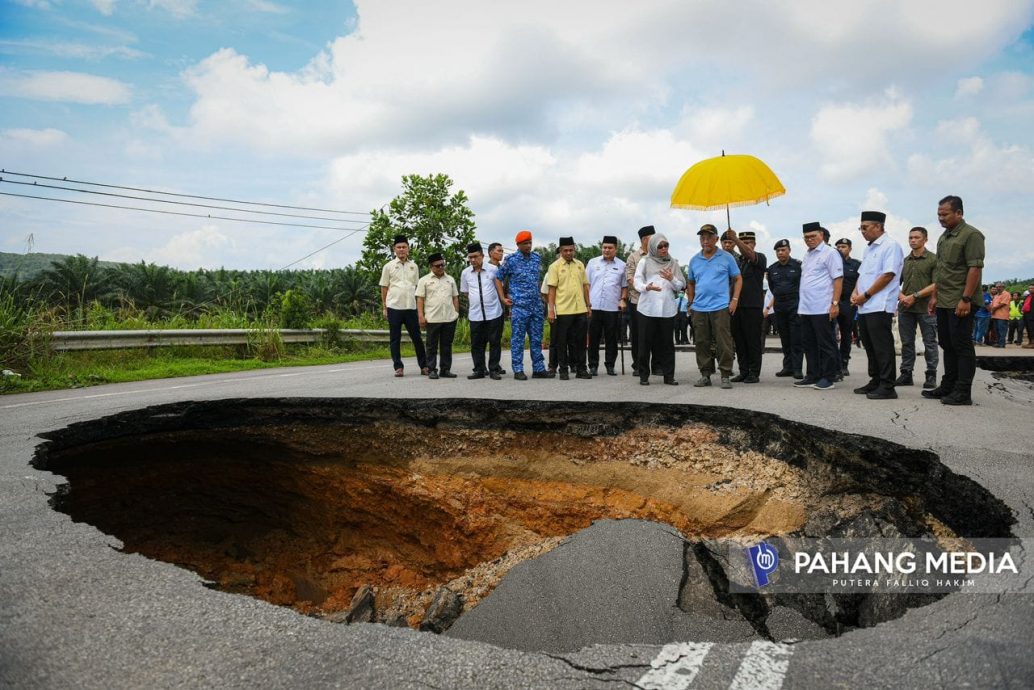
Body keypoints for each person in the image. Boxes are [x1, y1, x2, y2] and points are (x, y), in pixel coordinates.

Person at [922, 195, 985, 406]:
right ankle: (948, 385)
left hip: (961, 300)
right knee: (947, 344)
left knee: (961, 345)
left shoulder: (972, 235)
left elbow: (974, 268)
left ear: (959, 213)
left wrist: (966, 298)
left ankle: (963, 391)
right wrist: (934, 296)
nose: (941, 218)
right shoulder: (944, 237)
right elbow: (941, 271)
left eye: (945, 214)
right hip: (944, 300)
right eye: (939, 214)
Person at [849, 212, 904, 399]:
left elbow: (888, 275)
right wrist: (855, 293)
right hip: (864, 306)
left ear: (878, 226)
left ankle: (888, 385)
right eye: (861, 228)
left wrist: (866, 294)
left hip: (880, 304)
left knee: (882, 346)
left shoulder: (891, 246)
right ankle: (876, 380)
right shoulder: (869, 249)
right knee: (870, 346)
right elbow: (862, 275)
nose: (862, 231)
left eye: (865, 227)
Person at [686, 224, 742, 389]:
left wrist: (735, 300)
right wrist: (691, 302)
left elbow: (738, 278)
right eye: (702, 237)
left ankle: (725, 374)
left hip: (720, 307)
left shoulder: (727, 257)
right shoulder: (694, 260)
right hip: (700, 308)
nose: (705, 241)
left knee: (723, 342)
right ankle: (705, 374)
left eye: (709, 237)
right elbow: (690, 282)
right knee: (701, 342)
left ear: (716, 239)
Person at [495, 230, 549, 380]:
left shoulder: (536, 258)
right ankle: (518, 369)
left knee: (537, 338)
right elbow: (498, 278)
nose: (528, 246)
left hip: (536, 306)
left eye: (530, 243)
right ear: (518, 245)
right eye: (525, 243)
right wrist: (503, 298)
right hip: (519, 307)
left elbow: (537, 280)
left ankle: (538, 368)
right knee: (518, 339)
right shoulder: (511, 260)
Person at [795, 222, 843, 390]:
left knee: (826, 343)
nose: (810, 240)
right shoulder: (808, 255)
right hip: (806, 307)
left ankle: (828, 377)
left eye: (813, 236)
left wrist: (834, 304)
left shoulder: (830, 253)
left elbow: (838, 279)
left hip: (822, 306)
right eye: (806, 237)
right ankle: (812, 374)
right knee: (808, 343)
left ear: (821, 235)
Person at [633, 233, 684, 385]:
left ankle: (669, 376)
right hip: (647, 309)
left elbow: (681, 285)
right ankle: (643, 376)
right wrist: (645, 287)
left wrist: (671, 279)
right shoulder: (645, 261)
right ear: (653, 247)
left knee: (668, 344)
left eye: (666, 245)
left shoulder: (672, 262)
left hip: (667, 309)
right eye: (660, 246)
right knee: (645, 344)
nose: (663, 249)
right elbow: (637, 280)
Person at [379, 234, 428, 377]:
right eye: (399, 247)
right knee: (395, 338)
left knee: (417, 338)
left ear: (408, 249)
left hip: (411, 307)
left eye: (404, 247)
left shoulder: (414, 266)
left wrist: (421, 311)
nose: (401, 250)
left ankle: (424, 366)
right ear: (394, 249)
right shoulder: (388, 267)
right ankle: (398, 367)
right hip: (394, 307)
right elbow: (384, 287)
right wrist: (384, 307)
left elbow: (417, 288)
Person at [896, 226, 939, 389]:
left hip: (926, 308)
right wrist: (902, 297)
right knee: (907, 342)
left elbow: (936, 283)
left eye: (916, 238)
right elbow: (894, 282)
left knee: (929, 342)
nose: (913, 240)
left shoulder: (933, 259)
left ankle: (931, 374)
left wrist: (915, 296)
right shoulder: (904, 261)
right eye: (910, 238)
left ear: (925, 239)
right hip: (905, 307)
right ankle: (906, 373)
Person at [724, 229, 766, 383]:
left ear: (754, 244)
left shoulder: (760, 258)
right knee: (739, 341)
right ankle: (743, 371)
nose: (745, 246)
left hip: (752, 306)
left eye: (748, 243)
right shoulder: (737, 261)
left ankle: (754, 372)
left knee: (752, 340)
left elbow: (749, 254)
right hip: (736, 306)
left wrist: (735, 238)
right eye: (743, 242)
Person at [547, 236, 592, 380]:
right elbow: (551, 290)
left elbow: (585, 286)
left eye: (571, 250)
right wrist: (551, 310)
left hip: (580, 310)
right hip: (563, 311)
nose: (568, 253)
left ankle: (581, 370)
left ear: (574, 250)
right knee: (562, 343)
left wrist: (588, 305)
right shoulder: (554, 267)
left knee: (580, 342)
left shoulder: (579, 264)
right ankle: (563, 370)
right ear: (560, 251)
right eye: (565, 250)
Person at [460, 242, 504, 380]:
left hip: (494, 313)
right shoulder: (465, 273)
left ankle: (494, 370)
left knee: (495, 342)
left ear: (482, 256)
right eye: (470, 257)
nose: (473, 260)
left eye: (475, 256)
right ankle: (479, 370)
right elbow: (466, 293)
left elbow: (499, 289)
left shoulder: (493, 270)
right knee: (477, 344)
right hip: (475, 314)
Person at [585, 235, 627, 376]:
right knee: (594, 338)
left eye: (610, 248)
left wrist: (622, 299)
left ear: (616, 249)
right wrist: (587, 304)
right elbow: (587, 285)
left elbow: (624, 286)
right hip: (594, 306)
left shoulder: (622, 265)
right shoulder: (592, 262)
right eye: (604, 247)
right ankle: (593, 365)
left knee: (611, 338)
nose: (606, 250)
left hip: (612, 307)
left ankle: (610, 365)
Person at [415, 253, 460, 380]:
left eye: (442, 265)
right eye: (438, 265)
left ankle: (445, 370)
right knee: (431, 346)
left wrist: (456, 313)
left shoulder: (450, 279)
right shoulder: (424, 280)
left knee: (447, 345)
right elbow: (420, 299)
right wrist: (421, 316)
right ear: (431, 266)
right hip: (433, 318)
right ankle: (432, 369)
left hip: (449, 318)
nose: (441, 267)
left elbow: (455, 297)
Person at [767, 239, 804, 378]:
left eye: (783, 250)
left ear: (789, 250)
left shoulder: (798, 265)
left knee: (796, 338)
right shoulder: (772, 268)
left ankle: (797, 368)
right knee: (785, 338)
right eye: (778, 251)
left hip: (794, 304)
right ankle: (787, 367)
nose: (780, 253)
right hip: (780, 306)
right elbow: (772, 287)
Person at [626, 225, 655, 377]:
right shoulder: (634, 257)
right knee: (638, 335)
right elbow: (630, 278)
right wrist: (644, 287)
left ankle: (657, 365)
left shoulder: (661, 254)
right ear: (644, 240)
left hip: (657, 302)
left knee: (657, 335)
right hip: (638, 301)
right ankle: (638, 365)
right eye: (652, 238)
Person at [834, 238, 861, 377]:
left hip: (848, 303)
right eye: (838, 246)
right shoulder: (831, 262)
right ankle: (833, 364)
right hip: (833, 302)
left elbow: (861, 282)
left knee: (846, 335)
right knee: (831, 334)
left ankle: (844, 363)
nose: (840, 249)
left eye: (843, 246)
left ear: (850, 248)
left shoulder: (856, 264)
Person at [990, 283, 1011, 349]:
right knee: (996, 330)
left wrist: (994, 309)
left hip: (1002, 316)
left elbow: (1003, 304)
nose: (998, 288)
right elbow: (992, 305)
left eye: (999, 287)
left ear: (1003, 287)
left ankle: (1002, 344)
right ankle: (998, 343)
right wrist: (992, 310)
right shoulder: (996, 296)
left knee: (1002, 331)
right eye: (997, 287)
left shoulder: (1006, 294)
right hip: (995, 316)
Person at [1023, 284, 1034, 348]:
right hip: (1027, 315)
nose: (1030, 289)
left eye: (1032, 288)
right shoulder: (1028, 296)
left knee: (1032, 330)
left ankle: (1033, 343)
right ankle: (1030, 342)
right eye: (1029, 288)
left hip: (1032, 316)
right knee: (1028, 329)